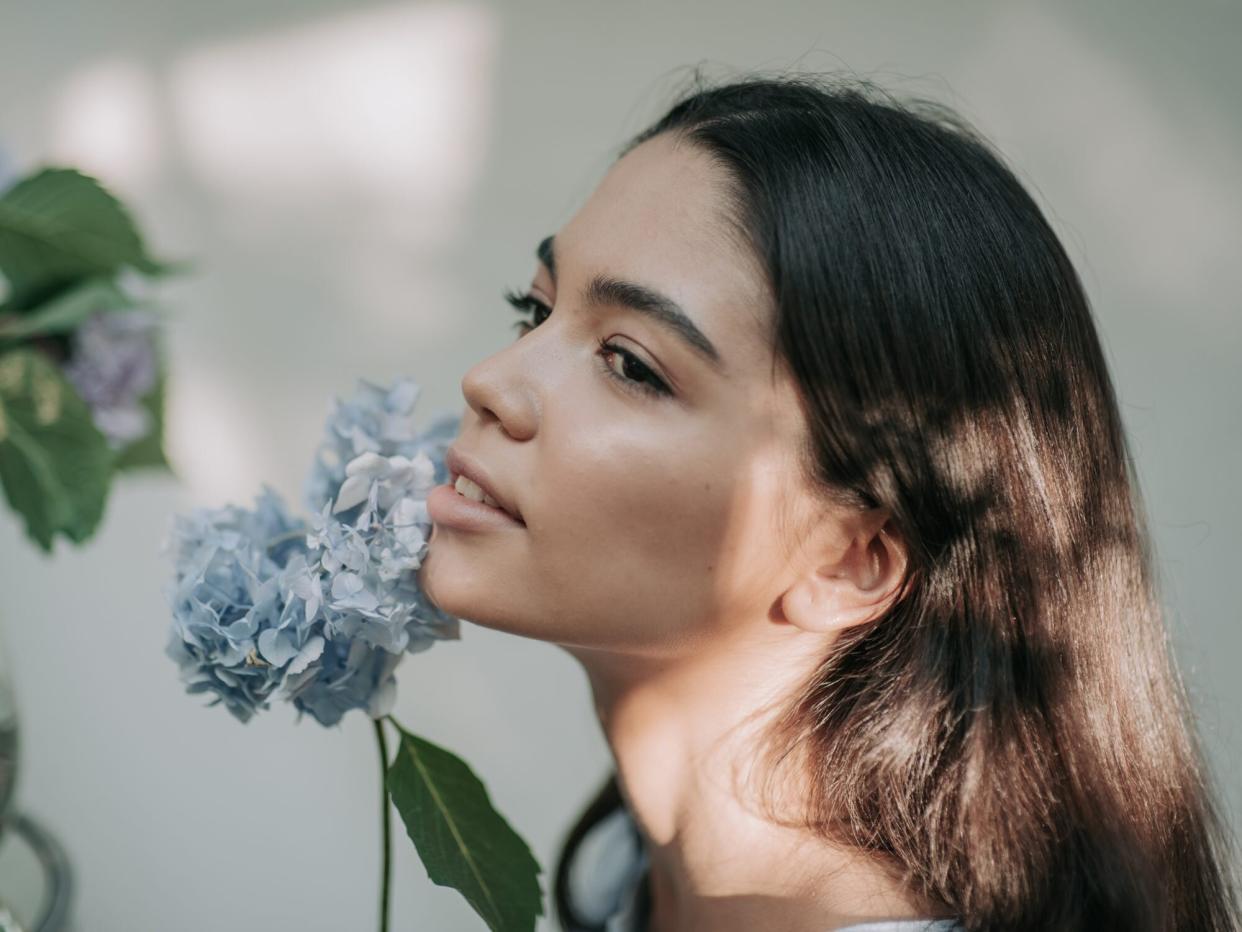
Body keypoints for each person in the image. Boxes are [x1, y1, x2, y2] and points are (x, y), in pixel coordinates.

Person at [418, 69, 1242, 931]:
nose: (490, 381)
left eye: (630, 363)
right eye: (535, 310)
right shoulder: (623, 880)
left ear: (852, 561)